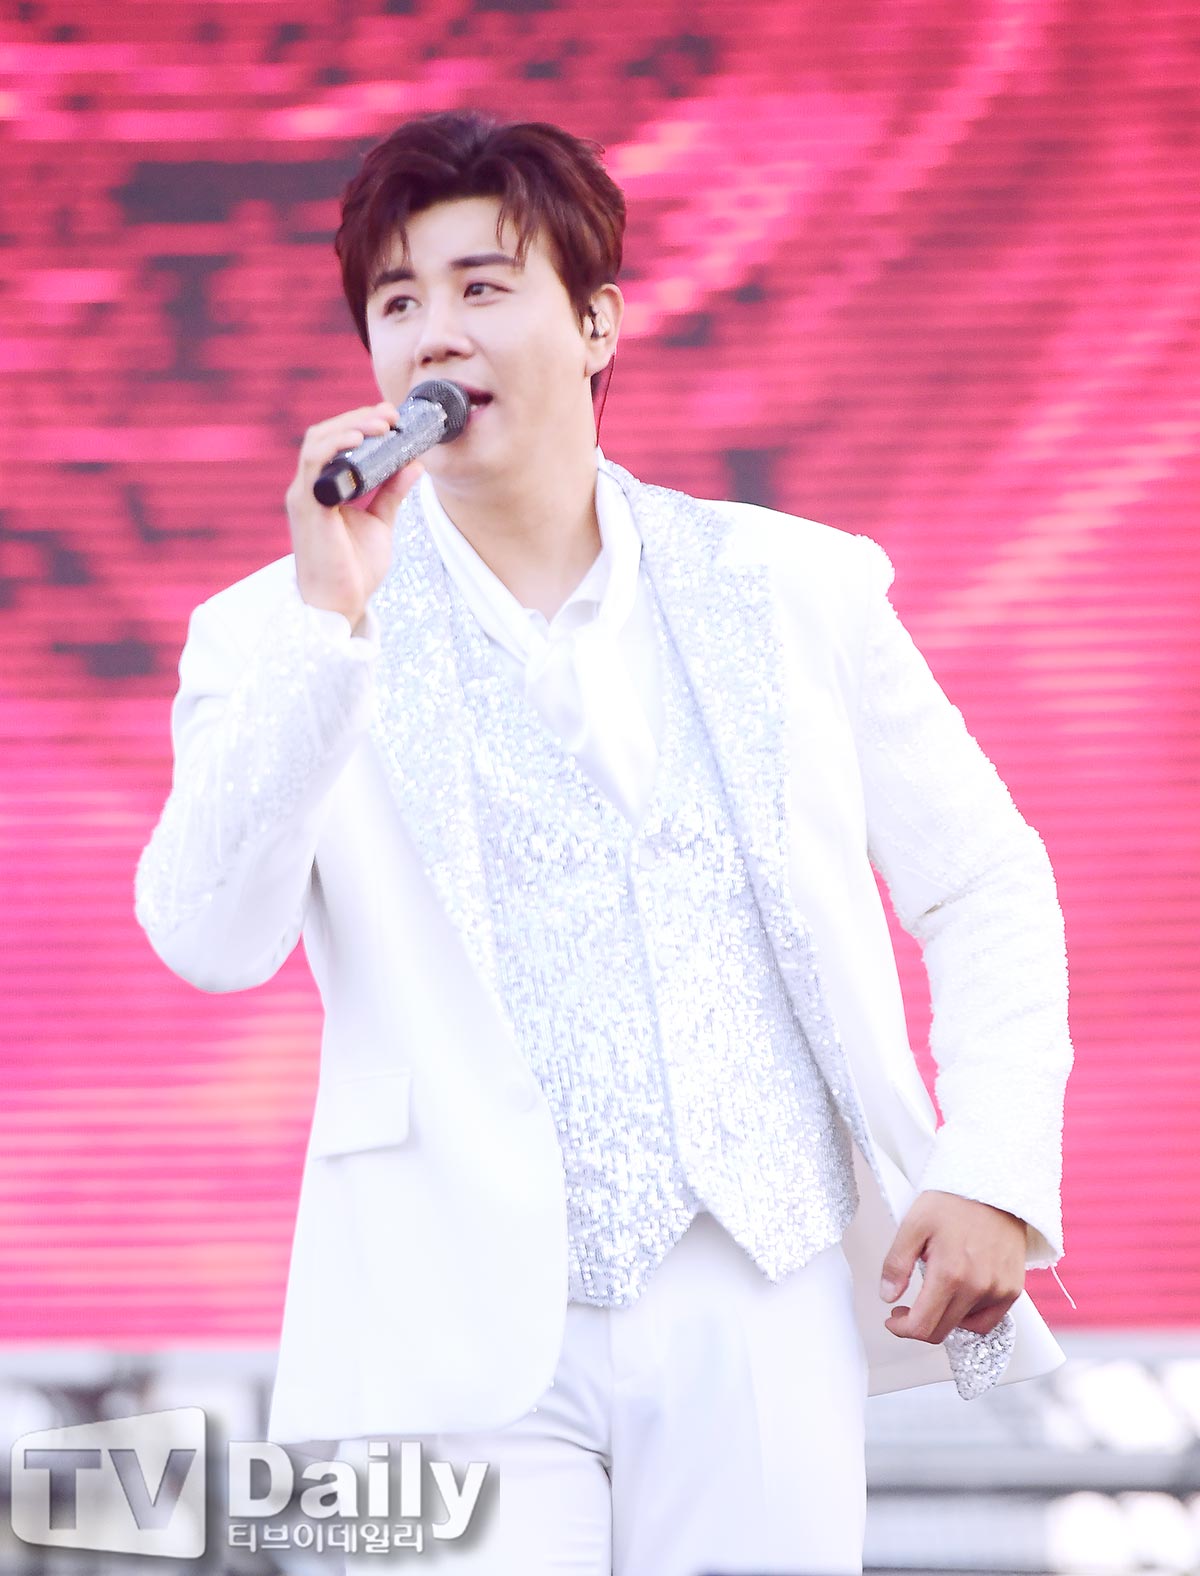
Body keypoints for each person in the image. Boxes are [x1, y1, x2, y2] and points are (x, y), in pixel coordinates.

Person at [135, 110, 1073, 1576]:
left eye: (482, 285)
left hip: (758, 1285)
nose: (436, 333)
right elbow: (205, 935)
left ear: (595, 324)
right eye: (398, 301)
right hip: (445, 1313)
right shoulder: (278, 629)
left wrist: (996, 1166)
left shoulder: (793, 586)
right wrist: (330, 631)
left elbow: (983, 880)